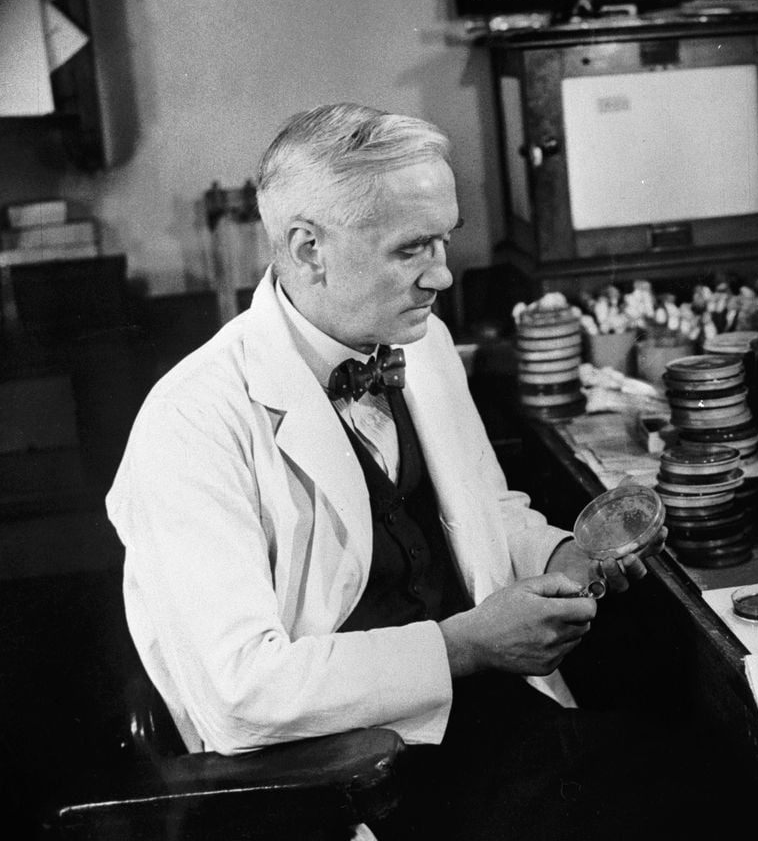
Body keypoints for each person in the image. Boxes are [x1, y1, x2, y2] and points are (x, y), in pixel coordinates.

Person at [106, 103, 685, 840]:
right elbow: (241, 693)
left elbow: (486, 507)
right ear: (309, 248)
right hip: (344, 782)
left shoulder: (423, 342)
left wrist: (559, 554)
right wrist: (465, 645)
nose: (442, 275)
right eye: (412, 249)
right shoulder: (192, 421)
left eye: (445, 241)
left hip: (489, 725)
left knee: (720, 772)